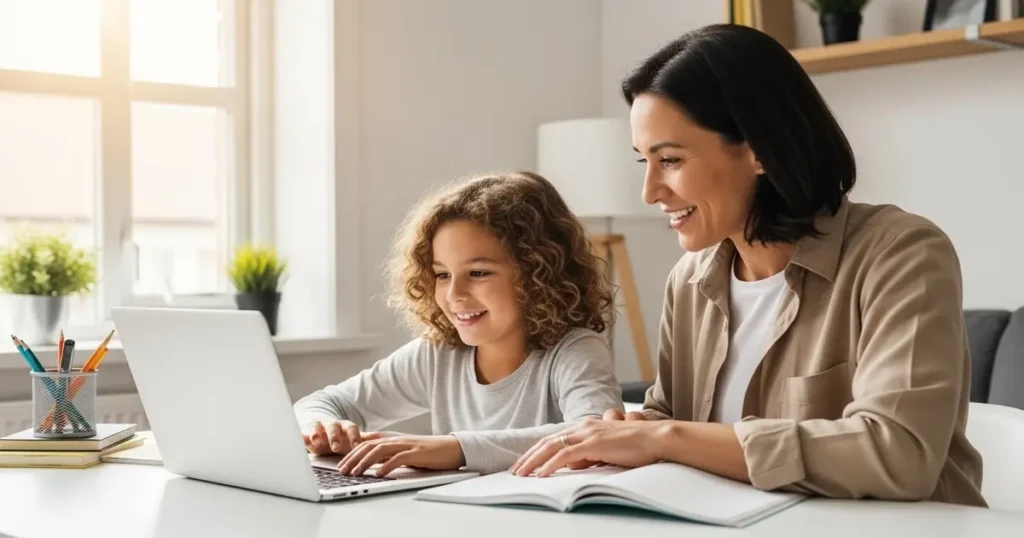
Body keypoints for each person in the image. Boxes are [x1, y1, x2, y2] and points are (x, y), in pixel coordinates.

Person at [511, 24, 986, 507]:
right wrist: (634, 432)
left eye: (670, 159)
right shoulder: (691, 280)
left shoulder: (901, 254)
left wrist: (667, 438)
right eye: (643, 162)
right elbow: (669, 418)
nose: (650, 191)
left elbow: (899, 454)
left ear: (759, 150)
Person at [294, 171, 623, 477]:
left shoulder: (575, 350)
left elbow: (595, 434)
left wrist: (454, 448)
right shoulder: (439, 354)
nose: (454, 294)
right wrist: (323, 427)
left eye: (478, 273)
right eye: (442, 274)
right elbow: (320, 403)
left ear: (540, 274)